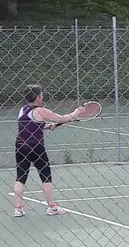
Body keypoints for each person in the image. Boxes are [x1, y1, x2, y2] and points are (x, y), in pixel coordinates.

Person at [12, 85, 86, 217]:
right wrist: (76, 113)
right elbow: (62, 118)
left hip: (20, 146)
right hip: (36, 147)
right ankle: (51, 206)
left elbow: (30, 126)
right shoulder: (41, 111)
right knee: (46, 176)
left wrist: (47, 126)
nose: (43, 96)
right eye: (41, 94)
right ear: (38, 97)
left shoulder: (22, 110)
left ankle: (18, 208)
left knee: (21, 176)